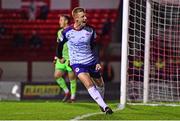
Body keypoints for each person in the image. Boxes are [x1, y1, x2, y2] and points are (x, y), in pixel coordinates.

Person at [57, 7, 113, 114]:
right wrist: (60, 56)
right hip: (77, 63)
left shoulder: (90, 30)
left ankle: (101, 103)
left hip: (91, 61)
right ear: (76, 19)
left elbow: (95, 47)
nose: (85, 18)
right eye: (83, 16)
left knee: (100, 84)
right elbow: (59, 45)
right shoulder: (66, 32)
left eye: (85, 15)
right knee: (89, 84)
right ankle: (105, 107)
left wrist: (97, 62)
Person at [54, 15, 77, 103]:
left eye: (61, 20)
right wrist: (57, 57)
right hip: (61, 58)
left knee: (72, 78)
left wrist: (73, 58)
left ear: (66, 21)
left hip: (70, 58)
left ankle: (73, 97)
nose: (59, 22)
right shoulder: (59, 32)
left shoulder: (72, 31)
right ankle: (67, 92)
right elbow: (59, 46)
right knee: (57, 75)